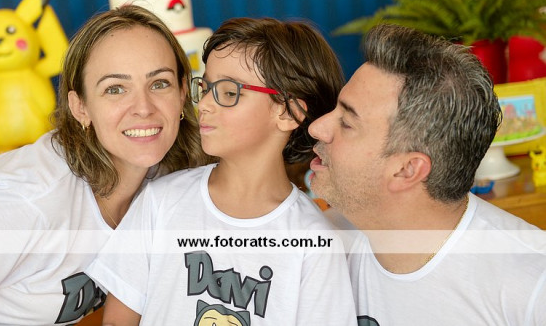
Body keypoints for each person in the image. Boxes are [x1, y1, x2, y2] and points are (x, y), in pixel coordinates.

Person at [86, 17, 357, 325]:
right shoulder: (161, 202)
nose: (204, 105)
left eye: (229, 92)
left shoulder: (314, 241)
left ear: (288, 112)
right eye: (205, 88)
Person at [0, 5, 209, 325]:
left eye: (159, 83)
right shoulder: (25, 203)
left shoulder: (169, 181)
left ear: (182, 93)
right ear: (80, 107)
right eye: (115, 89)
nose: (143, 108)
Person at [308, 23, 546, 325]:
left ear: (407, 170)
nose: (316, 128)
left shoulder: (531, 286)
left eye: (347, 122)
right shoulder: (317, 242)